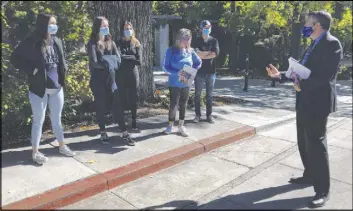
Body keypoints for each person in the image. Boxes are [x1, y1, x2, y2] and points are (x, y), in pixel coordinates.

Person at [266, 11, 343, 208]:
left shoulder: (332, 44)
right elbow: (299, 71)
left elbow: (323, 77)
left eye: (307, 23)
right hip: (304, 100)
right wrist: (281, 76)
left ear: (317, 25)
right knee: (304, 141)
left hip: (318, 102)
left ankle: (322, 190)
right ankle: (309, 175)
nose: (305, 26)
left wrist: (301, 85)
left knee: (317, 144)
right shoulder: (312, 44)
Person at [10, 13, 76, 165]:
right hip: (38, 88)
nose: (54, 26)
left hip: (56, 88)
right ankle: (35, 152)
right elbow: (15, 58)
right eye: (51, 23)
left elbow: (61, 61)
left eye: (55, 23)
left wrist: (63, 72)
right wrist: (30, 69)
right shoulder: (32, 41)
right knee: (38, 121)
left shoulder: (57, 40)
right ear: (43, 25)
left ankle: (62, 146)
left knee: (57, 120)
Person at [87, 17, 135, 146]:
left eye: (107, 26)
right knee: (101, 106)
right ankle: (103, 131)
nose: (106, 28)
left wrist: (107, 61)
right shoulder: (92, 43)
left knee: (117, 105)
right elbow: (95, 62)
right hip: (98, 80)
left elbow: (118, 60)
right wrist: (109, 61)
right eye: (103, 26)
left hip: (111, 79)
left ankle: (124, 132)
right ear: (97, 27)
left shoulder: (111, 43)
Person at [163, 28, 202, 137]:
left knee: (183, 104)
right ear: (179, 38)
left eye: (188, 37)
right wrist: (177, 73)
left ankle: (181, 126)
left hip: (186, 82)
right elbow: (165, 67)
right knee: (173, 104)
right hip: (174, 83)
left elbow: (199, 62)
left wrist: (190, 71)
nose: (187, 40)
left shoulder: (191, 51)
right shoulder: (171, 50)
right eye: (185, 37)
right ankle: (170, 125)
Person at [116, 21, 142, 131]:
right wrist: (131, 57)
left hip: (133, 74)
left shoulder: (136, 43)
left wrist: (125, 57)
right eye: (126, 28)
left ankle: (134, 120)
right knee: (121, 98)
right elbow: (118, 58)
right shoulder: (118, 42)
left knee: (133, 99)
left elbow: (139, 61)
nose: (128, 30)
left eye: (130, 28)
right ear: (122, 30)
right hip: (121, 75)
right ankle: (121, 122)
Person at [193, 20, 220, 124]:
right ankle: (197, 115)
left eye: (209, 27)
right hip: (199, 71)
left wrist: (202, 53)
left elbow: (215, 54)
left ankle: (209, 115)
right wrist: (208, 53)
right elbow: (196, 55)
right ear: (201, 29)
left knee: (209, 95)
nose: (208, 29)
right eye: (205, 28)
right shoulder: (196, 41)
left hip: (211, 72)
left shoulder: (214, 41)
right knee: (197, 95)